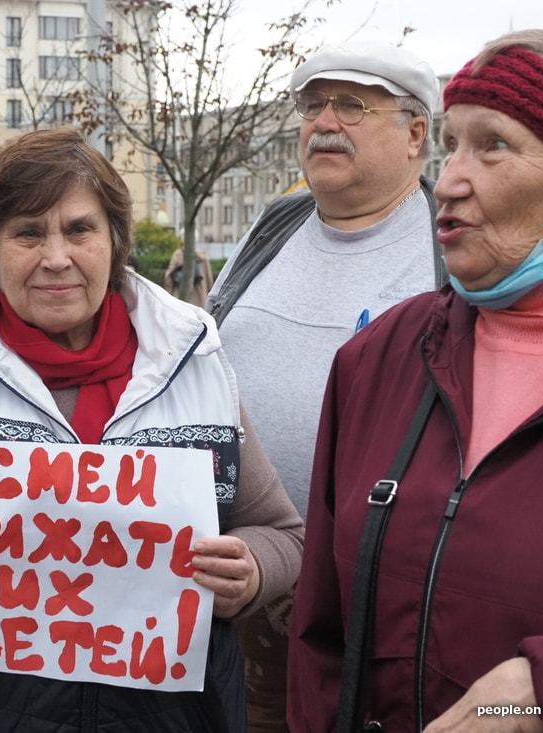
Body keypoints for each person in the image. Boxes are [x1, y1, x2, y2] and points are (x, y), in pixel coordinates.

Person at [0, 128, 304, 732]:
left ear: (116, 241)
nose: (56, 257)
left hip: (169, 715)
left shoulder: (195, 365)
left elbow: (280, 531)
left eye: (79, 229)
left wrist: (250, 571)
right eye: (26, 233)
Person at [289, 30, 543, 732]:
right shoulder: (377, 358)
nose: (453, 179)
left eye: (492, 145)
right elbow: (320, 637)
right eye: (452, 144)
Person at [204, 41, 444, 730]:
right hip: (244, 583)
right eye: (312, 105)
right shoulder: (272, 228)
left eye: (352, 105)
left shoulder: (447, 249)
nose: (323, 121)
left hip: (369, 606)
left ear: (416, 133)